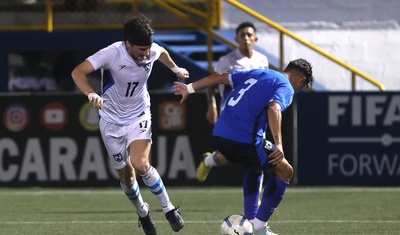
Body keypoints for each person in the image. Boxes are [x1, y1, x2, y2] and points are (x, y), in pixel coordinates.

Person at [71, 14, 187, 235]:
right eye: (141, 50)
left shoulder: (151, 50)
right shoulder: (112, 53)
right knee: (126, 175)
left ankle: (169, 208)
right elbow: (78, 72)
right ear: (128, 44)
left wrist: (176, 69)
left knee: (141, 164)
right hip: (111, 120)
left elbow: (162, 53)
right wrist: (91, 94)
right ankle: (143, 212)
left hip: (139, 115)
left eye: (148, 49)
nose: (146, 54)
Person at [173, 58, 313, 235]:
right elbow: (274, 108)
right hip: (244, 139)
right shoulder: (286, 86)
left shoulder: (260, 72)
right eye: (303, 86)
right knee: (285, 170)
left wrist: (190, 88)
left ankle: (251, 221)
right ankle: (260, 228)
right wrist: (278, 144)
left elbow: (221, 77)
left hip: (219, 135)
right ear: (301, 80)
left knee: (255, 167)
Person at [198, 21, 270, 183]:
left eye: (249, 35)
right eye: (242, 35)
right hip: (232, 113)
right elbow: (211, 82)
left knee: (258, 155)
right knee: (227, 158)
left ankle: (254, 204)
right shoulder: (227, 60)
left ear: (255, 39)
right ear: (236, 39)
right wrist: (212, 106)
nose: (246, 38)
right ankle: (208, 161)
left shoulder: (262, 60)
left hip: (256, 115)